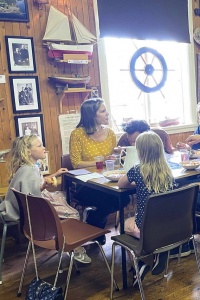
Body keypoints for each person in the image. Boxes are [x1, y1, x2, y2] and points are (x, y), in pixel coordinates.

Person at [0, 135, 91, 264]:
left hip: (19, 206)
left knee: (62, 200)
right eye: (39, 145)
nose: (44, 148)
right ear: (28, 152)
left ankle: (70, 244)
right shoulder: (29, 171)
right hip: (31, 211)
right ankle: (74, 247)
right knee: (73, 213)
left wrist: (55, 174)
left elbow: (35, 185)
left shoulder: (28, 167)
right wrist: (43, 187)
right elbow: (32, 198)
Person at [69, 98, 129, 243]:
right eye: (103, 111)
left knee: (124, 198)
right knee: (106, 199)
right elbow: (76, 164)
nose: (107, 114)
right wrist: (101, 160)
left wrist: (118, 154)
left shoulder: (111, 133)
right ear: (92, 115)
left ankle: (94, 223)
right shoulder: (77, 134)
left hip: (108, 180)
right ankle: (96, 229)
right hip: (86, 184)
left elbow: (114, 162)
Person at [118, 132, 174, 284]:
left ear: (140, 151)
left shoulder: (137, 170)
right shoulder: (168, 171)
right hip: (169, 224)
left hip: (146, 226)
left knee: (122, 225)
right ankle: (159, 248)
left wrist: (138, 183)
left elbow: (121, 184)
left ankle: (138, 265)